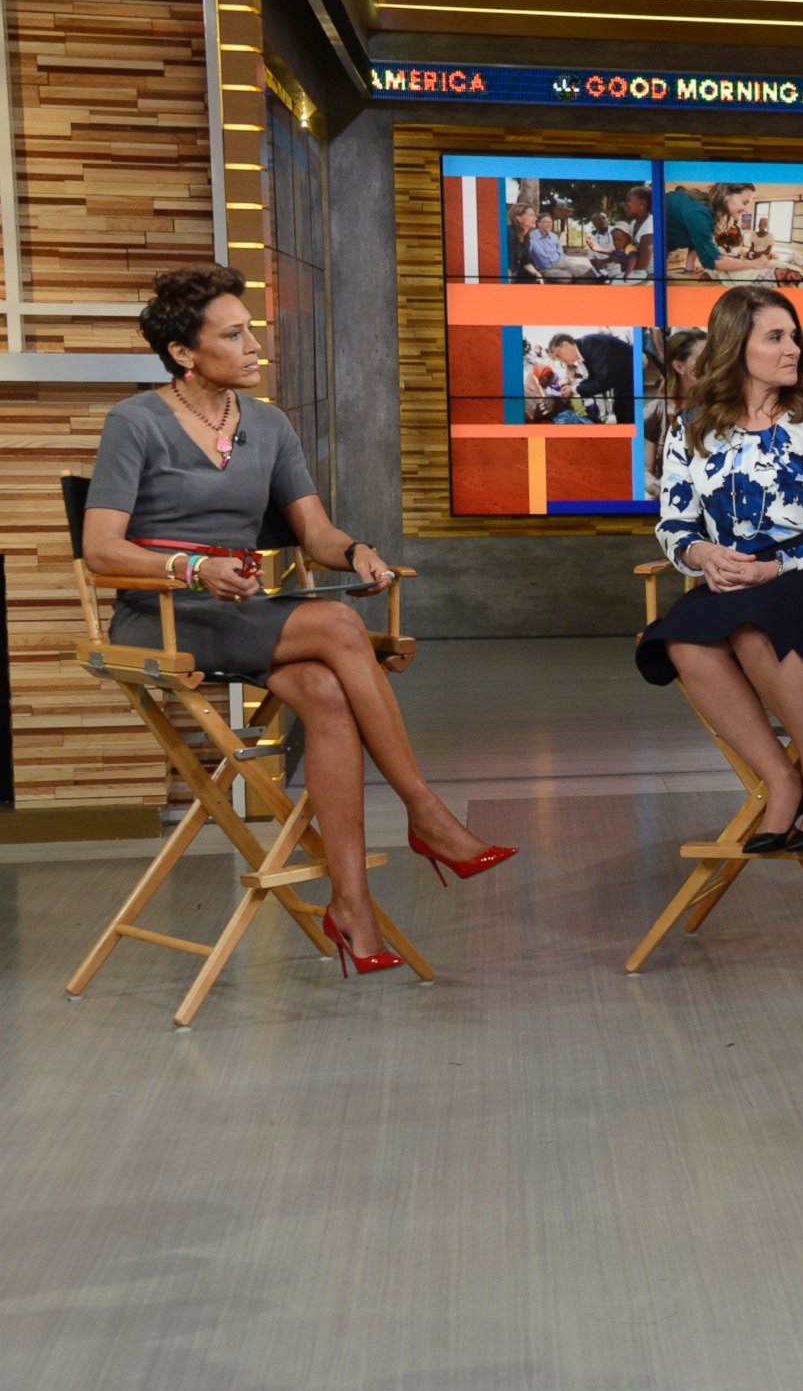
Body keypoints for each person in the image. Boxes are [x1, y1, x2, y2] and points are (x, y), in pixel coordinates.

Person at [83, 265, 512, 973]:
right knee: (340, 631)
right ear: (185, 353)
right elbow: (101, 548)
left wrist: (358, 553)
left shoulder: (270, 423)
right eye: (234, 333)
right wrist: (193, 569)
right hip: (164, 614)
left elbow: (314, 533)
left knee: (325, 690)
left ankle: (352, 908)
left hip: (242, 610)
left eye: (251, 329)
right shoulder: (137, 422)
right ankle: (428, 816)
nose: (256, 344)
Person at [640, 286, 803, 852]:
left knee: (753, 623)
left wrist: (781, 566)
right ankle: (781, 780)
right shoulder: (691, 431)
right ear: (735, 348)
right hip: (735, 572)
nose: (796, 349)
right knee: (684, 640)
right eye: (776, 337)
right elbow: (673, 523)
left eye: (794, 335)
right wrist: (702, 555)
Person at [665, 182, 800, 287]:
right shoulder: (699, 213)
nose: (745, 209)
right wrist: (753, 264)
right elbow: (715, 262)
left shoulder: (708, 214)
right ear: (726, 194)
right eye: (744, 202)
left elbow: (695, 242)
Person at [642, 327, 707, 476]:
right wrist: (658, 486)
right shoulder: (654, 412)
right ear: (679, 367)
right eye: (705, 358)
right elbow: (646, 471)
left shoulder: (721, 406)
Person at [547, 331, 636, 427]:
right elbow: (594, 377)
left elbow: (603, 381)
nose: (561, 361)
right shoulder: (584, 348)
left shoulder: (590, 344)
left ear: (565, 345)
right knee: (620, 410)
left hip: (633, 373)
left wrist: (574, 389)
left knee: (628, 412)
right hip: (623, 379)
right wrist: (573, 388)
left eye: (558, 356)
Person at [520, 203, 599, 283]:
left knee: (574, 268)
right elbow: (526, 255)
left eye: (550, 222)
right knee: (566, 277)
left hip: (558, 262)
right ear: (539, 224)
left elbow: (560, 251)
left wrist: (563, 260)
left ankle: (591, 280)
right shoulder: (531, 237)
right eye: (545, 222)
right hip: (545, 268)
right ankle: (581, 279)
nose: (548, 224)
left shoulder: (554, 236)